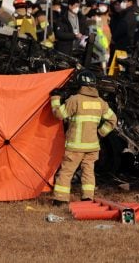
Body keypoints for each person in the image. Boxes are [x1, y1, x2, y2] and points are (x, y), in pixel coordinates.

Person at [50, 70, 117, 205]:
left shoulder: (75, 100)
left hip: (75, 146)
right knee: (88, 172)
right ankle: (87, 198)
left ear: (79, 84)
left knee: (67, 172)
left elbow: (58, 114)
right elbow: (113, 120)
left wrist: (55, 99)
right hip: (92, 146)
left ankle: (60, 200)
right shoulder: (101, 102)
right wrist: (100, 132)